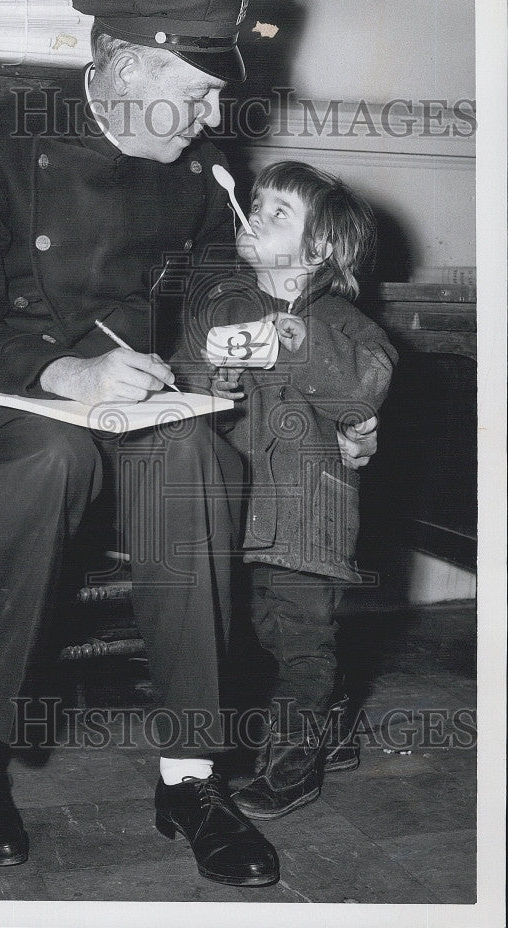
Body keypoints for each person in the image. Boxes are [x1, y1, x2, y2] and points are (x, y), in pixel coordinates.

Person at [0, 0, 376, 885]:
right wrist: (61, 368)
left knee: (195, 460)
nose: (214, 118)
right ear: (127, 66)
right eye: (198, 93)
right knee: (48, 456)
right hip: (8, 406)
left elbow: (216, 323)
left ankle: (190, 773)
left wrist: (314, 407)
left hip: (142, 408)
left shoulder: (205, 176)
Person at [174, 160, 397, 820]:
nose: (255, 212)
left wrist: (283, 341)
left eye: (279, 212)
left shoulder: (345, 323)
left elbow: (365, 384)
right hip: (233, 508)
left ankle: (290, 766)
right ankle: (324, 730)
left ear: (320, 248)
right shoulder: (221, 305)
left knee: (302, 641)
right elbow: (186, 383)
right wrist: (214, 378)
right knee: (246, 634)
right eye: (257, 202)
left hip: (308, 516)